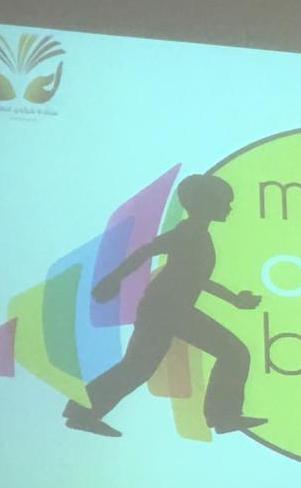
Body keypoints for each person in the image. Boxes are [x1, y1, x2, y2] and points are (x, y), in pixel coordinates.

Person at [63, 174, 267, 438]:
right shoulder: (188, 233)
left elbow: (197, 279)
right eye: (224, 202)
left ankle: (81, 412)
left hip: (168, 309)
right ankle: (223, 415)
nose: (228, 207)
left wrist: (234, 300)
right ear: (205, 203)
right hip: (166, 309)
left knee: (137, 368)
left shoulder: (198, 234)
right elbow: (146, 251)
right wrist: (112, 281)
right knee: (233, 352)